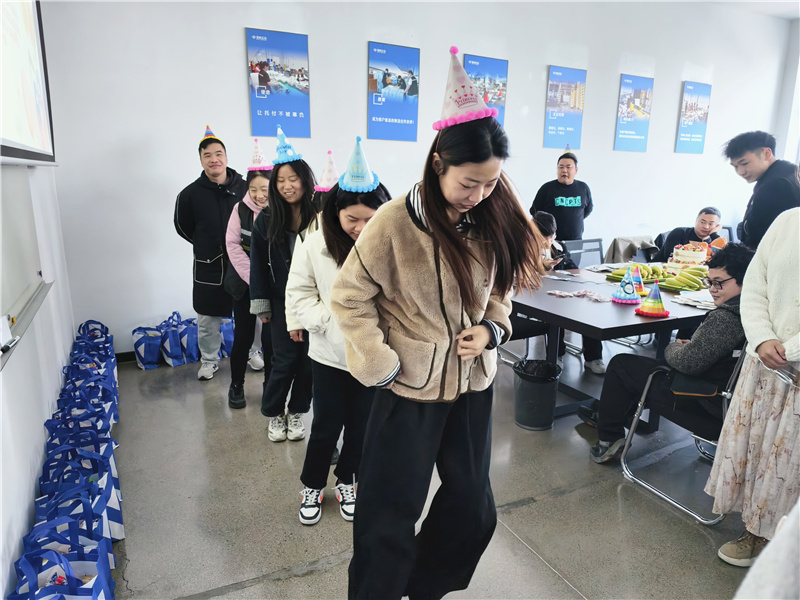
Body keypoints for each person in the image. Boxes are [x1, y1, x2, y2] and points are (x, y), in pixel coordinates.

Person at [331, 46, 546, 600]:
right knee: (388, 512)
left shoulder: (491, 217)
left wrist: (493, 329)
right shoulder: (392, 223)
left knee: (473, 507)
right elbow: (349, 297)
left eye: (491, 183)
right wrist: (381, 362)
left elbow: (500, 292)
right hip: (408, 386)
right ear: (437, 164)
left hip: (472, 382)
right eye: (469, 183)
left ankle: (422, 587)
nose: (480, 195)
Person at [287, 137, 391, 526]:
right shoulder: (315, 243)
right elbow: (299, 291)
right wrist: (329, 322)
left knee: (363, 426)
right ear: (336, 213)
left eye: (370, 219)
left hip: (372, 352)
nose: (361, 228)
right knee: (326, 426)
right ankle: (312, 485)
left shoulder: (390, 244)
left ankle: (348, 480)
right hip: (329, 354)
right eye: (352, 219)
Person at [582, 243, 755, 462]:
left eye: (719, 283)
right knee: (640, 370)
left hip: (704, 406)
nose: (712, 289)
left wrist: (673, 347)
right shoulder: (756, 313)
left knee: (621, 365)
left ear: (746, 280)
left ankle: (608, 438)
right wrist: (692, 347)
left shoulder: (726, 318)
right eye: (709, 282)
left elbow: (687, 363)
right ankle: (604, 414)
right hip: (730, 405)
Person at [705, 207, 800, 567]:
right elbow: (755, 286)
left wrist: (790, 351)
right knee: (759, 451)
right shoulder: (787, 221)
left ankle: (780, 541)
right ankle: (756, 531)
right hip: (764, 362)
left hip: (791, 365)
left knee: (790, 459)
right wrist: (761, 338)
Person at [250, 126, 317, 442]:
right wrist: (261, 304)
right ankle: (274, 412)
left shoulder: (319, 213)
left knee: (309, 362)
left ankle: (297, 411)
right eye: (280, 181)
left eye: (293, 179)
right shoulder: (266, 218)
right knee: (283, 359)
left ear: (305, 179)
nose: (287, 186)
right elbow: (257, 264)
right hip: (279, 301)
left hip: (314, 299)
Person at [174, 126, 246, 381]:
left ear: (226, 156)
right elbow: (182, 226)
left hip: (243, 263)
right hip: (209, 263)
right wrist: (206, 244)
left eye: (218, 153)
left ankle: (253, 352)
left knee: (252, 313)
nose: (214, 159)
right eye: (207, 155)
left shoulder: (245, 188)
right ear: (201, 159)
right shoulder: (190, 194)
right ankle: (209, 360)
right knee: (207, 318)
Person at [224, 140, 274, 409]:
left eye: (264, 189)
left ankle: (270, 386)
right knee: (242, 336)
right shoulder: (240, 210)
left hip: (273, 284)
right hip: (244, 285)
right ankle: (236, 385)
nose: (258, 195)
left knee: (270, 340)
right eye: (253, 189)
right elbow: (232, 245)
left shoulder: (279, 211)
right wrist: (253, 278)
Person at [533, 211, 605, 374]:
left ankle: (593, 357)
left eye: (551, 237)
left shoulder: (559, 247)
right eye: (543, 239)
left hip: (560, 292)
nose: (548, 242)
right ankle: (556, 354)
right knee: (555, 312)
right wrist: (542, 267)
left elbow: (573, 268)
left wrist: (563, 267)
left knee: (587, 309)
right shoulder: (523, 248)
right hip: (537, 296)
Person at [724, 130, 800, 248]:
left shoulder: (776, 184)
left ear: (766, 153)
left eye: (744, 163)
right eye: (736, 166)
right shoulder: (788, 171)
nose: (740, 172)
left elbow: (764, 237)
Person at [529, 152, 594, 241]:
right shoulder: (547, 188)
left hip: (576, 240)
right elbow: (535, 212)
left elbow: (587, 210)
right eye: (561, 167)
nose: (564, 170)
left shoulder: (583, 188)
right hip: (551, 241)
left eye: (568, 167)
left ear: (576, 170)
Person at [652, 207, 723, 262]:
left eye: (711, 224)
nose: (706, 226)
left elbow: (723, 261)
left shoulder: (714, 241)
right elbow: (670, 258)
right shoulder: (679, 233)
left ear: (717, 226)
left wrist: (714, 234)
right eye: (702, 222)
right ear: (696, 220)